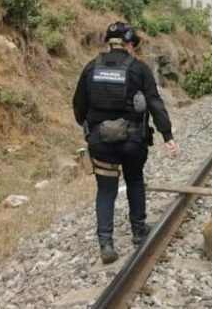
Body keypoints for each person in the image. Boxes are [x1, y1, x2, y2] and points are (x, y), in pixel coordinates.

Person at [72, 21, 178, 264]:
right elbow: (155, 103)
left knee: (106, 190)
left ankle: (106, 243)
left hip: (101, 142)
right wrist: (167, 135)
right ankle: (138, 231)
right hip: (132, 141)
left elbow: (79, 106)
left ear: (110, 44)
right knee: (134, 181)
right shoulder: (139, 69)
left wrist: (90, 129)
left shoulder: (91, 68)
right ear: (129, 44)